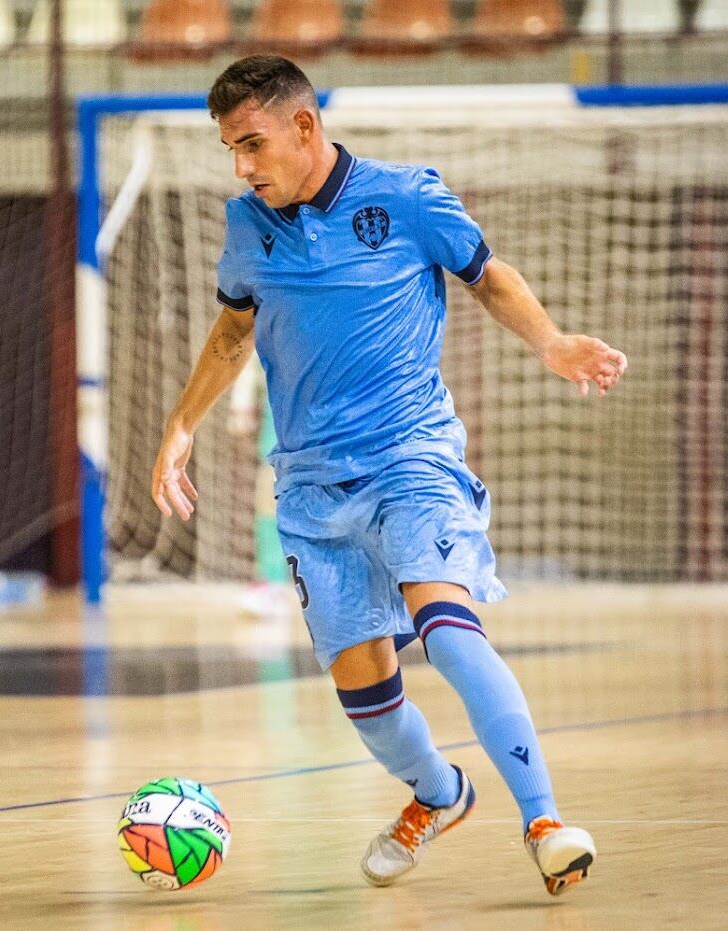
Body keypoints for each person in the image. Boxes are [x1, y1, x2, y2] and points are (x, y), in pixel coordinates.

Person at [151, 55, 625, 896]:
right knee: (362, 690)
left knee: (445, 627)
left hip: (411, 459)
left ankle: (544, 820)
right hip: (307, 487)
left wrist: (551, 342)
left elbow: (489, 276)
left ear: (304, 127)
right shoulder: (244, 223)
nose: (241, 165)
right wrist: (180, 424)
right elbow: (232, 331)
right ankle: (440, 793)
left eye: (252, 143)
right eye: (229, 148)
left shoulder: (405, 198)